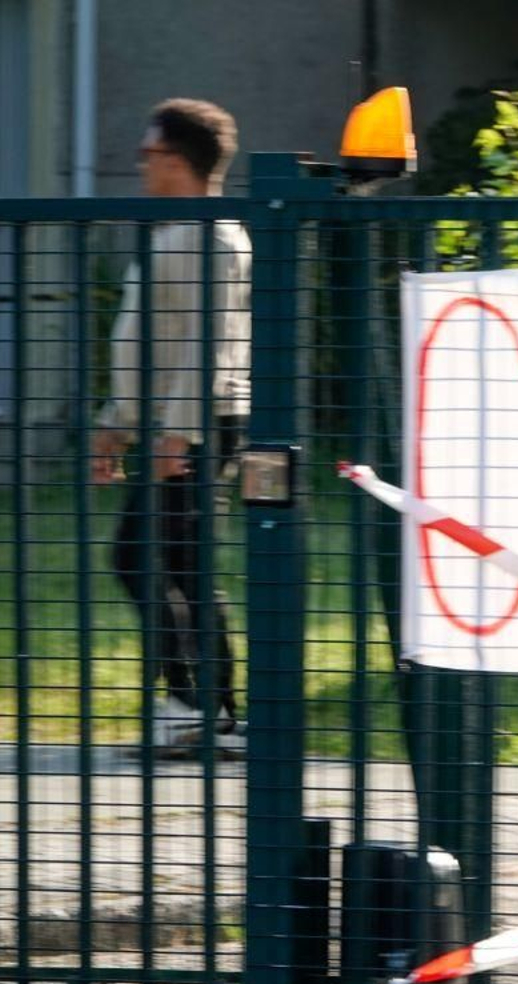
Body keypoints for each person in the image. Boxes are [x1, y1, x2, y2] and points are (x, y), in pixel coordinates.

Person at [90, 99, 251, 757]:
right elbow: (152, 344)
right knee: (179, 565)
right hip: (175, 424)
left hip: (199, 426)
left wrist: (178, 435)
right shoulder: (179, 232)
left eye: (149, 154)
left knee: (144, 559)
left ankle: (197, 708)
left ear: (178, 160)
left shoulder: (212, 236)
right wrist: (118, 424)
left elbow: (207, 348)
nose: (141, 165)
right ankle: (211, 712)